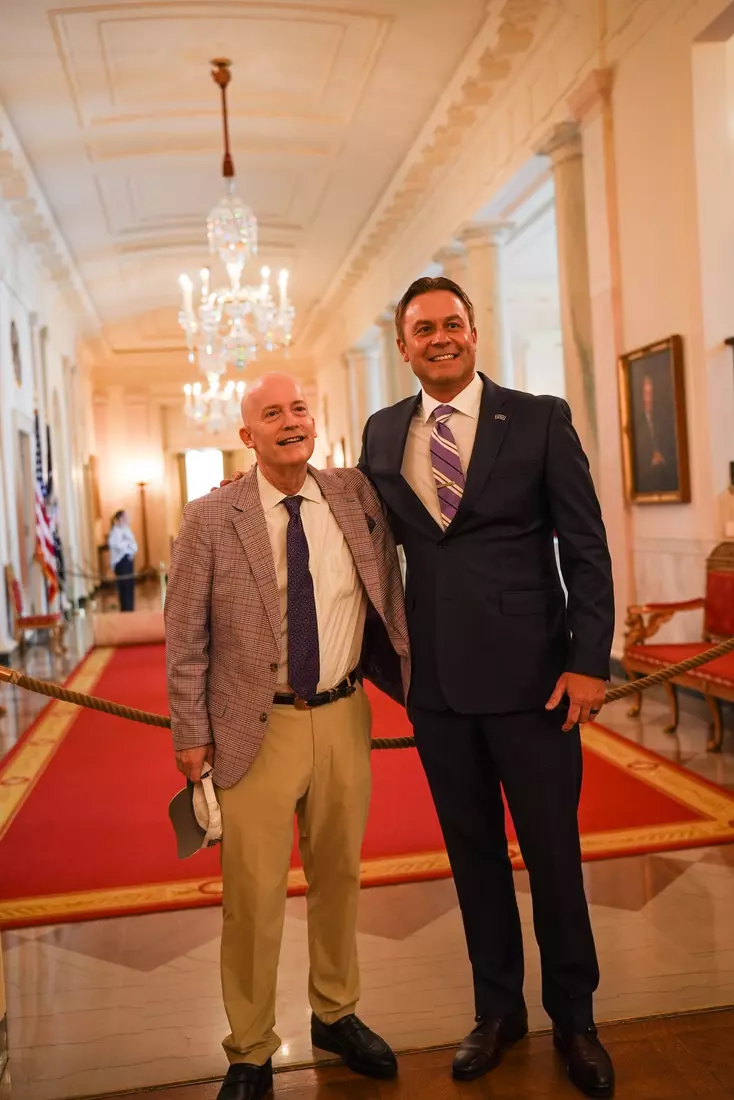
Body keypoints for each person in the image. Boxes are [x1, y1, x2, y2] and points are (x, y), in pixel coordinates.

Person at [358, 277, 616, 1099]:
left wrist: (589, 658)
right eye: (423, 328)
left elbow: (586, 545)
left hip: (537, 682)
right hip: (435, 688)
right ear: (404, 346)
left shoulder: (539, 417)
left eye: (452, 323)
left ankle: (575, 1019)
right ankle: (498, 1012)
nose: (440, 337)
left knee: (553, 857)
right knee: (472, 860)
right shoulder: (381, 431)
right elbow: (359, 536)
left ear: (475, 332)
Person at [165, 373, 410, 1100]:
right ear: (247, 436)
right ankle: (249, 1049)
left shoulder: (354, 496)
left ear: (315, 420)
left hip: (343, 714)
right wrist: (190, 730)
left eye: (298, 409)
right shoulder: (212, 517)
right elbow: (185, 635)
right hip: (254, 725)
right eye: (271, 414)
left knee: (339, 875)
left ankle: (335, 1013)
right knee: (252, 893)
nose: (289, 422)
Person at [107, 510, 137, 612]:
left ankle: (130, 608)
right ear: (120, 518)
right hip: (121, 561)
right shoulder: (115, 531)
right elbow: (116, 545)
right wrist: (126, 545)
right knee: (123, 586)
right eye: (125, 517)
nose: (127, 519)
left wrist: (130, 547)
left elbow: (133, 544)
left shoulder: (127, 530)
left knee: (130, 586)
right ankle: (125, 609)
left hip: (128, 559)